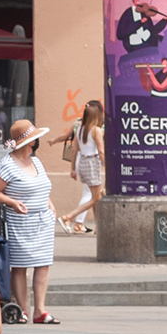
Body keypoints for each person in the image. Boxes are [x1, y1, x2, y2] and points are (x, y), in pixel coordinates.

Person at [0, 120, 59, 324]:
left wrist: (49, 203)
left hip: (42, 220)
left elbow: (42, 187)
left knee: (43, 264)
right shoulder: (7, 165)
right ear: (30, 141)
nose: (38, 141)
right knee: (20, 266)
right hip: (21, 221)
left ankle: (40, 310)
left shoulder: (36, 162)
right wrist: (12, 201)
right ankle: (23, 309)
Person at [51, 100, 105, 234]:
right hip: (92, 162)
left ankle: (98, 227)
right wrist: (106, 164)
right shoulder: (96, 130)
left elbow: (74, 149)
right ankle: (68, 217)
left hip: (82, 163)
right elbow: (101, 150)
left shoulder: (79, 128)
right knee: (96, 197)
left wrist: (73, 169)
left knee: (94, 196)